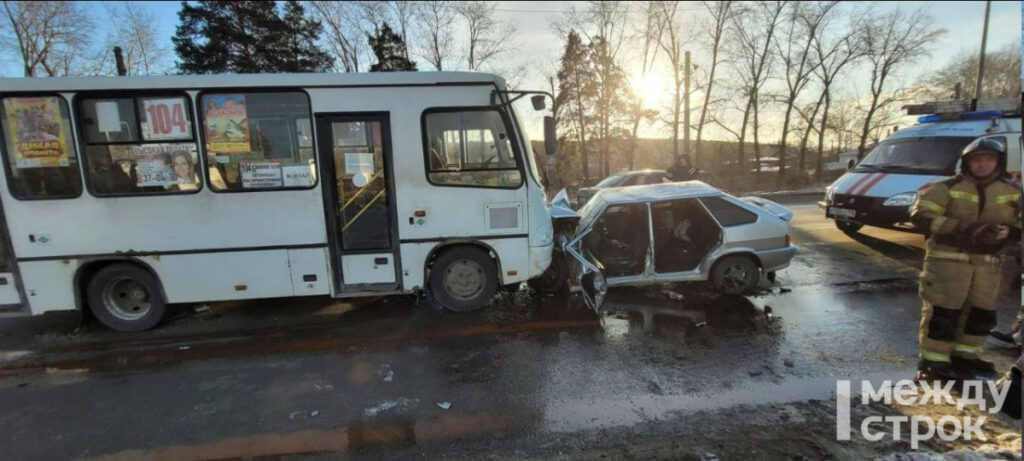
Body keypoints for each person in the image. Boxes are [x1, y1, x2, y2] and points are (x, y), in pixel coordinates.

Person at [910, 138, 1022, 380]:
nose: (982, 165)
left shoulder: (1013, 191)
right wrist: (963, 228)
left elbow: (1019, 223)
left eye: (989, 159)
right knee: (944, 314)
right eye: (976, 160)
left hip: (988, 264)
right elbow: (921, 217)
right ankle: (934, 363)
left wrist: (1011, 233)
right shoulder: (946, 187)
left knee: (981, 314)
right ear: (966, 162)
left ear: (999, 163)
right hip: (948, 263)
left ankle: (966, 357)